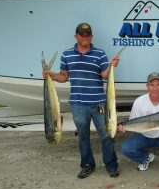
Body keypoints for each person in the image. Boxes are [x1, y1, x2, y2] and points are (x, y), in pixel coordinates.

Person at [42, 23, 120, 179]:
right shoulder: (66, 54)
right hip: (78, 105)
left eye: (87, 35)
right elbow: (64, 77)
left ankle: (111, 165)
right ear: (76, 36)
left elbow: (104, 75)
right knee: (83, 136)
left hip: (99, 104)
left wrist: (112, 66)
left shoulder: (100, 54)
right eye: (82, 35)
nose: (85, 37)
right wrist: (52, 75)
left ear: (91, 36)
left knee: (107, 134)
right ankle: (87, 165)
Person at [118, 72, 159, 176]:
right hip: (144, 136)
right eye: (152, 85)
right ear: (147, 86)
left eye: (158, 85)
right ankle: (145, 158)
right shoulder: (139, 101)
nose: (155, 88)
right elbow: (133, 123)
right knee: (125, 148)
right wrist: (122, 128)